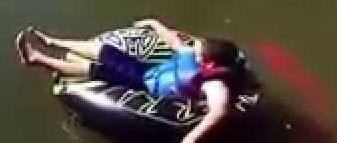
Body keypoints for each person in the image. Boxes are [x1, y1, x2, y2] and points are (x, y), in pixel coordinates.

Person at [16, 18, 245, 143]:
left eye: (199, 54)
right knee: (104, 50)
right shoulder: (191, 57)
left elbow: (219, 111)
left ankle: (37, 59)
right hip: (148, 70)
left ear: (210, 65)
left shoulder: (213, 84)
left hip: (146, 86)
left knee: (94, 70)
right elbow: (176, 41)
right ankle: (53, 42)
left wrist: (190, 139)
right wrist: (154, 24)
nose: (194, 53)